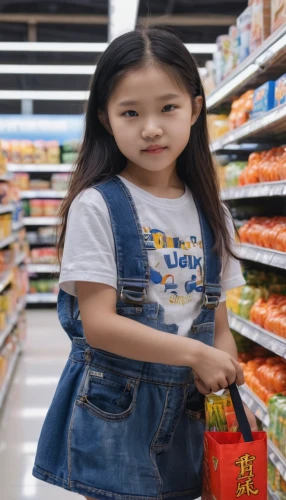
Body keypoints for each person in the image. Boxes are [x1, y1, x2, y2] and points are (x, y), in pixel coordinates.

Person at [32, 26, 257, 500]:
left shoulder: (212, 213)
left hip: (191, 413)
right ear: (106, 119)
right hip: (115, 410)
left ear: (196, 109)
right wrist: (195, 355)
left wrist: (232, 405)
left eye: (167, 107)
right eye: (130, 112)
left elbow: (217, 327)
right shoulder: (96, 206)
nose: (151, 127)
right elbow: (99, 325)